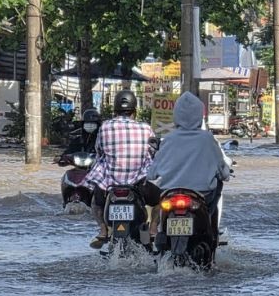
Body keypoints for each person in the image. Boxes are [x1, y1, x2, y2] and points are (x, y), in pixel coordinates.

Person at [145, 92, 230, 231]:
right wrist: (225, 174)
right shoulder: (207, 139)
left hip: (170, 193)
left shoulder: (169, 139)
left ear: (176, 115)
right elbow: (222, 169)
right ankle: (211, 229)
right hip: (202, 195)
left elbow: (152, 174)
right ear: (199, 115)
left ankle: (158, 230)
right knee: (218, 185)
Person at [84, 89, 157, 249]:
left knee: (95, 202)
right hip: (139, 185)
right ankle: (153, 230)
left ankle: (103, 230)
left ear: (114, 111)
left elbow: (99, 150)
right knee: (161, 200)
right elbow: (152, 152)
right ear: (135, 111)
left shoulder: (104, 127)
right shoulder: (145, 129)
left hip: (109, 186)